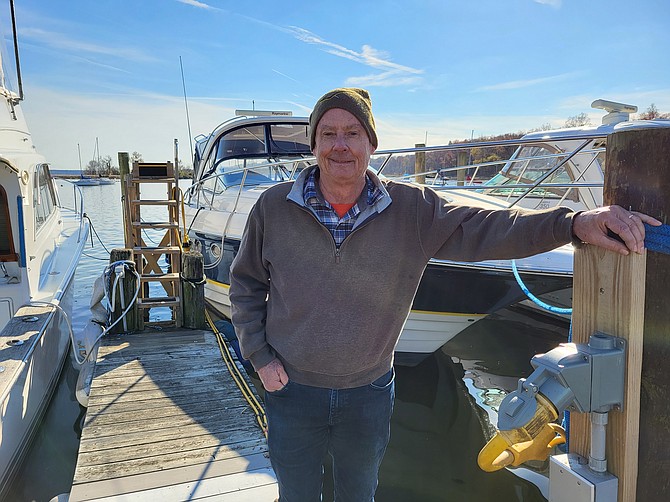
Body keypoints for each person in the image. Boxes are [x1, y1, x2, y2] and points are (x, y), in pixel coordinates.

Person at [229, 88, 659, 502]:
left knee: (359, 494)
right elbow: (246, 285)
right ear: (314, 144)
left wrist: (573, 223)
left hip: (368, 394)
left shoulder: (412, 209)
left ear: (371, 143)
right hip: (291, 390)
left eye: (352, 133)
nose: (340, 145)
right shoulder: (273, 207)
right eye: (328, 134)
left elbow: (491, 227)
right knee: (296, 494)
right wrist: (260, 358)